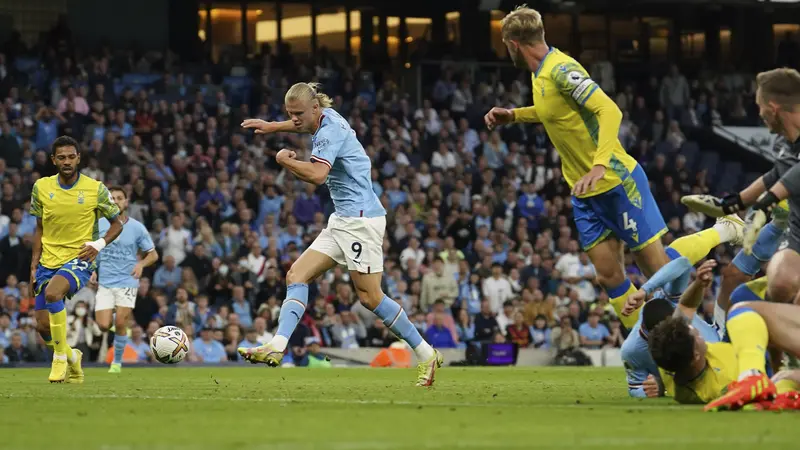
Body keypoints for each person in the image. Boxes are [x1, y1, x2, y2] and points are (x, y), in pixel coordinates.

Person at [484, 6, 737, 329]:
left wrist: (599, 164)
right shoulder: (540, 74)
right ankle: (649, 353)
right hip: (585, 192)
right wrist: (516, 114)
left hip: (616, 182)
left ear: (513, 43)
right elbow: (555, 112)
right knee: (608, 276)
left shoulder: (561, 70)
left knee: (659, 274)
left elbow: (609, 110)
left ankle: (725, 230)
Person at [238, 82, 443, 386]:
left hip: (361, 221)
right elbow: (300, 123)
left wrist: (285, 161)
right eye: (289, 114)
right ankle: (277, 345)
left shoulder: (328, 130)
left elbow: (318, 175)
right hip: (343, 219)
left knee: (371, 297)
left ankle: (426, 354)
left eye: (298, 114)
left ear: (315, 109)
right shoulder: (322, 116)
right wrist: (272, 127)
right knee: (296, 275)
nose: (294, 120)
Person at [681, 68, 800, 309]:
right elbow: (778, 174)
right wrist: (731, 204)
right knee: (778, 285)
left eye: (760, 105)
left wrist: (765, 204)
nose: (759, 112)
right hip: (798, 231)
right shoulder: (783, 142)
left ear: (773, 107)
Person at [29, 135, 122, 383]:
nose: (67, 161)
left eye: (71, 156)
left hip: (79, 258)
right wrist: (33, 263)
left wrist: (98, 244)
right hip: (48, 260)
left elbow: (118, 223)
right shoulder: (41, 188)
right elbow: (39, 227)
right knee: (42, 326)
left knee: (52, 294)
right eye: (61, 157)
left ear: (78, 158)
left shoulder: (95, 189)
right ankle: (73, 357)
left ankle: (59, 358)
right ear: (53, 160)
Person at [647, 279, 800, 410]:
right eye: (698, 335)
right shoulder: (716, 388)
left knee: (741, 295)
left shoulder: (669, 356)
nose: (702, 336)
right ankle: (763, 380)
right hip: (766, 368)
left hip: (741, 345)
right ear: (695, 355)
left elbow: (686, 308)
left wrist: (698, 284)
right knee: (743, 310)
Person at [620, 259, 721, 399]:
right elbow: (635, 388)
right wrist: (657, 389)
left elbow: (684, 263)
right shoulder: (632, 350)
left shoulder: (669, 300)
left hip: (720, 339)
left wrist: (644, 290)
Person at [94, 186, 158, 373]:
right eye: (111, 198)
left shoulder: (137, 227)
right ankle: (117, 314)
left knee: (121, 323)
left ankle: (117, 362)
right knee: (104, 325)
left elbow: (153, 255)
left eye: (119, 198)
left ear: (126, 202)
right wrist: (93, 270)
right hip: (105, 282)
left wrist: (140, 265)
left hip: (127, 280)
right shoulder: (98, 225)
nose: (115, 201)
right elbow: (93, 250)